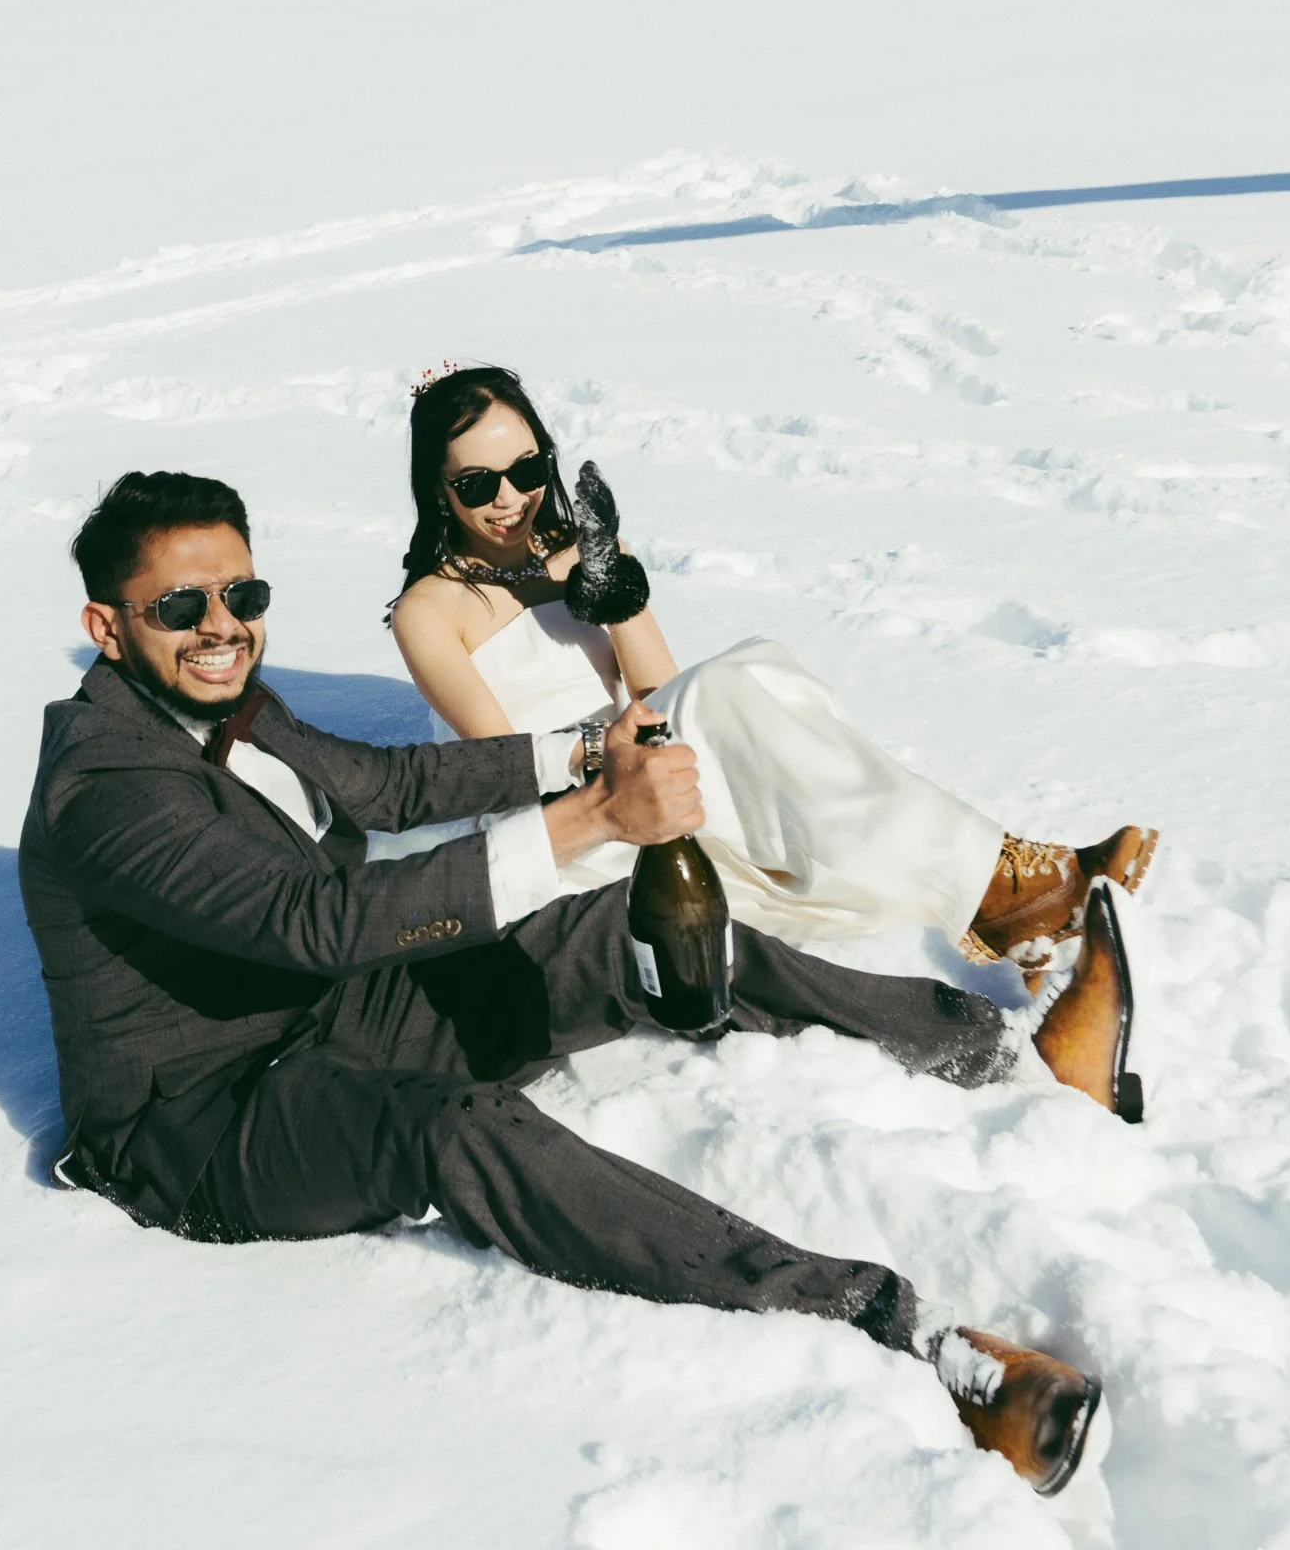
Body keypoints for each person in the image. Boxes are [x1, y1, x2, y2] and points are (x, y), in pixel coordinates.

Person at [20, 465, 1130, 1497]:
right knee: (462, 1131)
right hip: (208, 1118)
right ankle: (897, 1333)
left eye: (242, 592)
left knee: (619, 929)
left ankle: (992, 1055)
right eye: (181, 606)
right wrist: (587, 820)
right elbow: (312, 921)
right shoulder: (104, 787)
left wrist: (585, 752)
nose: (222, 626)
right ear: (106, 627)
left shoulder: (232, 704)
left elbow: (384, 784)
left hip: (335, 1007)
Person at [389, 364, 1156, 1092]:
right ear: (436, 486)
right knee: (738, 687)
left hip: (658, 775)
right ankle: (1013, 895)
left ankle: (1013, 904)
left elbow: (664, 691)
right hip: (569, 822)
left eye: (526, 470)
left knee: (751, 707)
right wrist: (613, 747)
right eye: (476, 483)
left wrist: (615, 599)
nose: (509, 499)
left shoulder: (581, 554)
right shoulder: (428, 611)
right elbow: (502, 767)